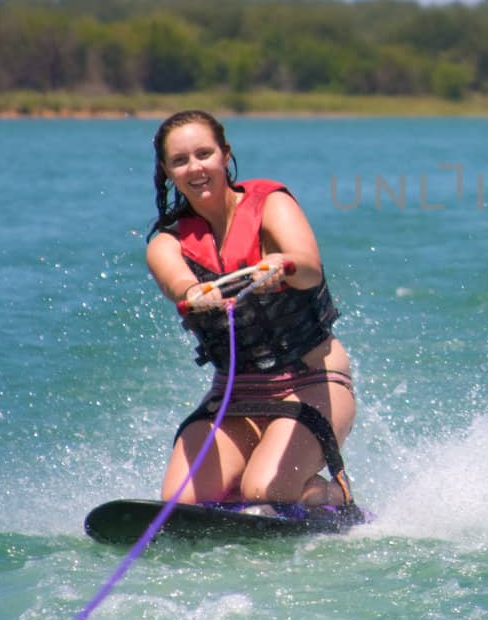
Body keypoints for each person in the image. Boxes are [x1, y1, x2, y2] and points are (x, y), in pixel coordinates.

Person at [145, 109, 355, 507]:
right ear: (167, 171)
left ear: (225, 155)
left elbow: (309, 267)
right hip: (234, 394)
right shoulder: (166, 243)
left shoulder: (270, 204)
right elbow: (178, 284)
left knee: (267, 491)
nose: (195, 167)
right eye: (180, 160)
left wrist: (283, 264)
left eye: (204, 153)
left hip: (310, 382)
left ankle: (333, 495)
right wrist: (195, 293)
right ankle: (251, 490)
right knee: (182, 501)